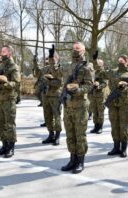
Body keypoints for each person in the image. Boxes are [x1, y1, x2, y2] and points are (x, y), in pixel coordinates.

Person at [61, 42, 93, 174]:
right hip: (68, 105)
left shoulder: (87, 67)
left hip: (80, 106)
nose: (75, 50)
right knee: (70, 134)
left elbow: (89, 85)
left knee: (80, 134)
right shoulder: (68, 66)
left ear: (84, 51)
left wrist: (78, 90)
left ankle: (80, 161)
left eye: (78, 49)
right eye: (74, 48)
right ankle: (72, 159)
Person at [0, 46, 21, 158]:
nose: (2, 53)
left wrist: (2, 86)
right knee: (0, 123)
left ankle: (10, 147)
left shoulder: (13, 66)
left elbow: (16, 83)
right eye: (1, 51)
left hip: (8, 99)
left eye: (4, 51)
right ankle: (4, 145)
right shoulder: (0, 65)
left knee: (9, 124)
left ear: (10, 53)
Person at [106, 55, 128, 158]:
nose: (120, 62)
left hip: (125, 104)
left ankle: (123, 149)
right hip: (114, 103)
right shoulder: (113, 72)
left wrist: (125, 87)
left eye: (122, 61)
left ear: (127, 62)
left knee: (123, 127)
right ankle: (116, 147)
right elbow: (107, 81)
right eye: (119, 61)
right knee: (114, 126)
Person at [39, 45, 64, 145]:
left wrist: (48, 81)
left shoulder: (60, 69)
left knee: (57, 115)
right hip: (46, 95)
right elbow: (38, 75)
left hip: (56, 95)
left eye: (52, 58)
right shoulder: (45, 69)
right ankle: (51, 134)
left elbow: (59, 83)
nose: (50, 60)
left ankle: (57, 136)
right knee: (47, 116)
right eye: (49, 58)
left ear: (57, 59)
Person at [89, 54, 107, 134]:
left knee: (100, 111)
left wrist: (98, 86)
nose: (96, 64)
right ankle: (95, 126)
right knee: (94, 111)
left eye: (98, 63)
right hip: (93, 95)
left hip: (100, 95)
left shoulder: (103, 72)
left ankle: (100, 127)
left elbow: (105, 83)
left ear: (101, 64)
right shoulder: (94, 72)